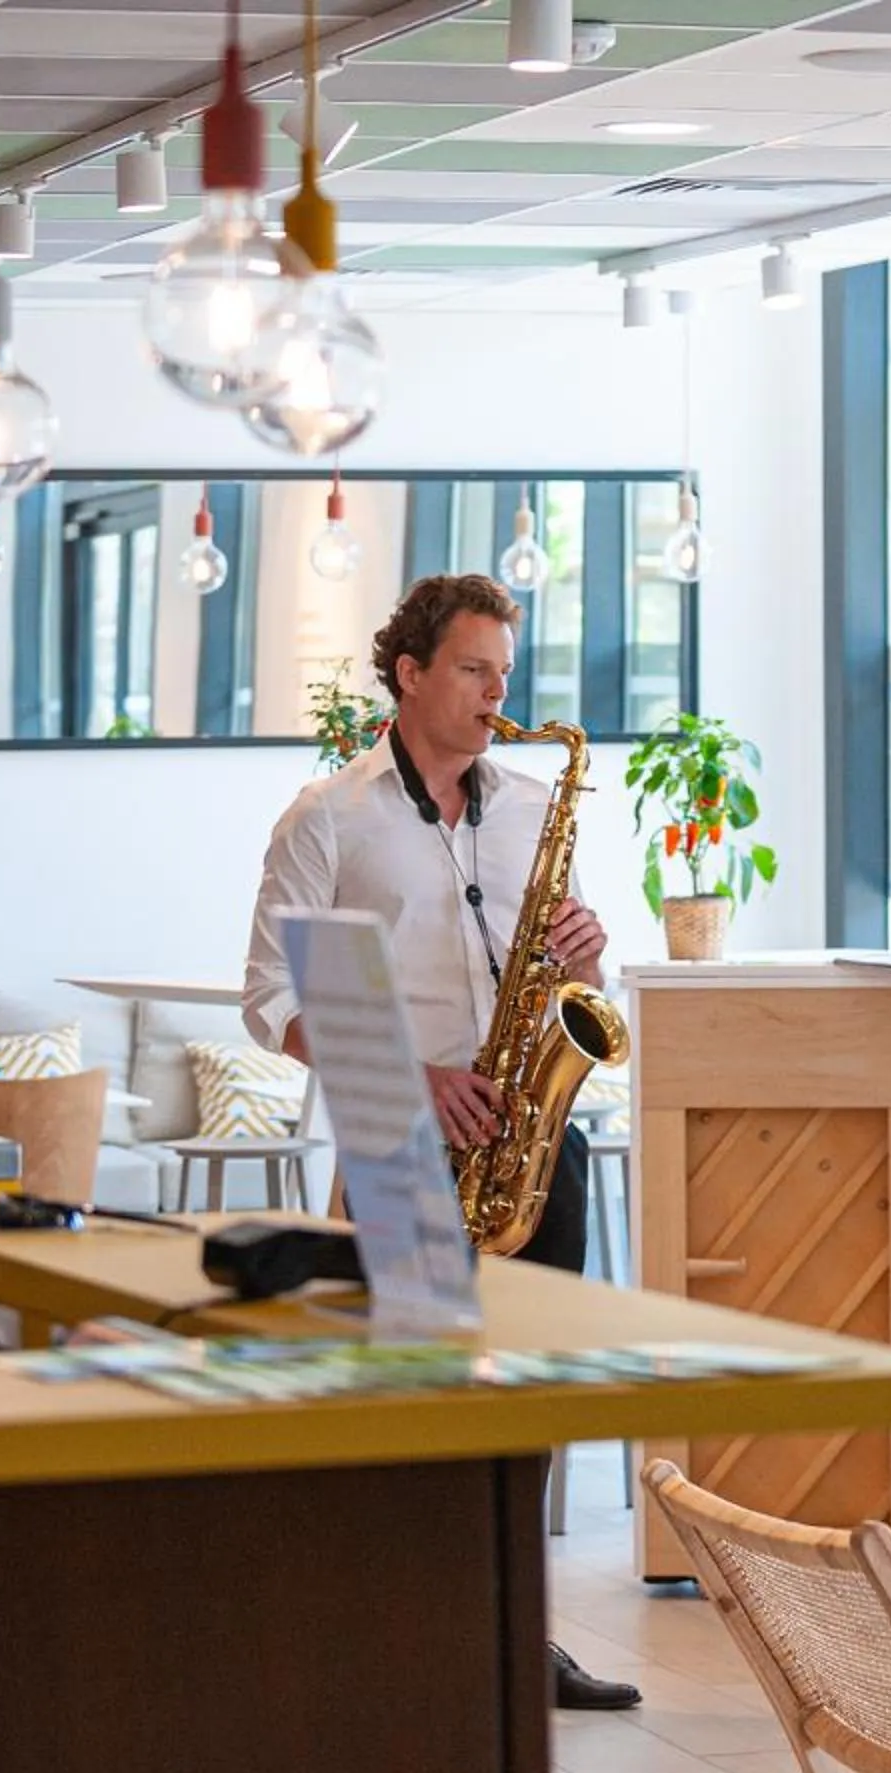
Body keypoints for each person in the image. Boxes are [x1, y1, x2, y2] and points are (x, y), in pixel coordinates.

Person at [242, 571, 640, 1713]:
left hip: (530, 1129)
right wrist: (413, 1082)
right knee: (410, 1403)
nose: (494, 695)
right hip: (398, 1139)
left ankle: (521, 1634)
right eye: (473, 670)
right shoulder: (330, 818)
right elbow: (270, 997)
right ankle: (393, 1641)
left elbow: (567, 979)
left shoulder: (526, 807)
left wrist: (584, 955)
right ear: (409, 672)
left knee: (538, 1393)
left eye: (504, 674)